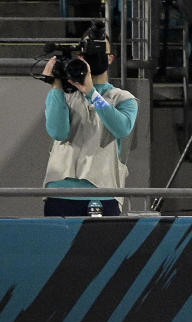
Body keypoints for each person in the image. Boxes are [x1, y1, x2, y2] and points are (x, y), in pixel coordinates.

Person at [41, 21, 138, 217]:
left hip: (103, 191)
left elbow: (122, 129)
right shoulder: (63, 95)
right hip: (59, 191)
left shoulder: (123, 97)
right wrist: (56, 86)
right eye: (87, 52)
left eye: (99, 51)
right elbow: (58, 132)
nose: (92, 56)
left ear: (110, 58)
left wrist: (92, 93)